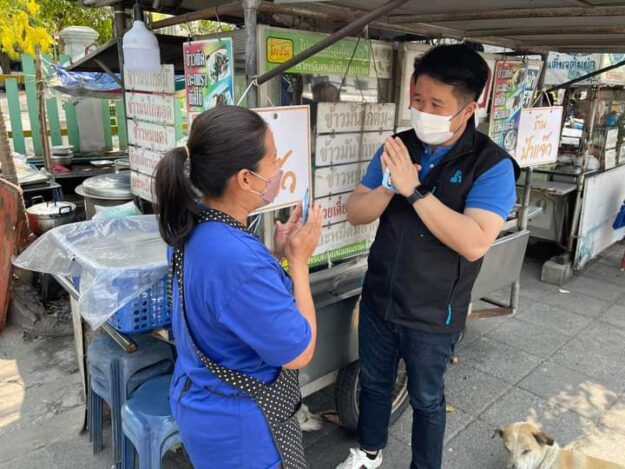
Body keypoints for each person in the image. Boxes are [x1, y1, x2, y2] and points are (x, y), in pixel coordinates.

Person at [337, 44, 520, 469]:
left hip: (434, 312)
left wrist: (414, 190)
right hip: (381, 296)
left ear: (469, 109)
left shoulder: (491, 165)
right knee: (375, 384)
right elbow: (355, 212)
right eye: (418, 99)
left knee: (426, 398)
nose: (423, 112)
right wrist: (389, 186)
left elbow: (475, 241)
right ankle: (368, 453)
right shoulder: (399, 147)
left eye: (437, 105)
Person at [154, 106, 323, 468]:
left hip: (201, 400)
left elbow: (227, 297)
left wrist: (276, 256)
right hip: (240, 430)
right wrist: (298, 262)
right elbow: (299, 351)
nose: (279, 168)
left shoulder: (195, 223)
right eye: (274, 158)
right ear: (246, 178)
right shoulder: (238, 258)